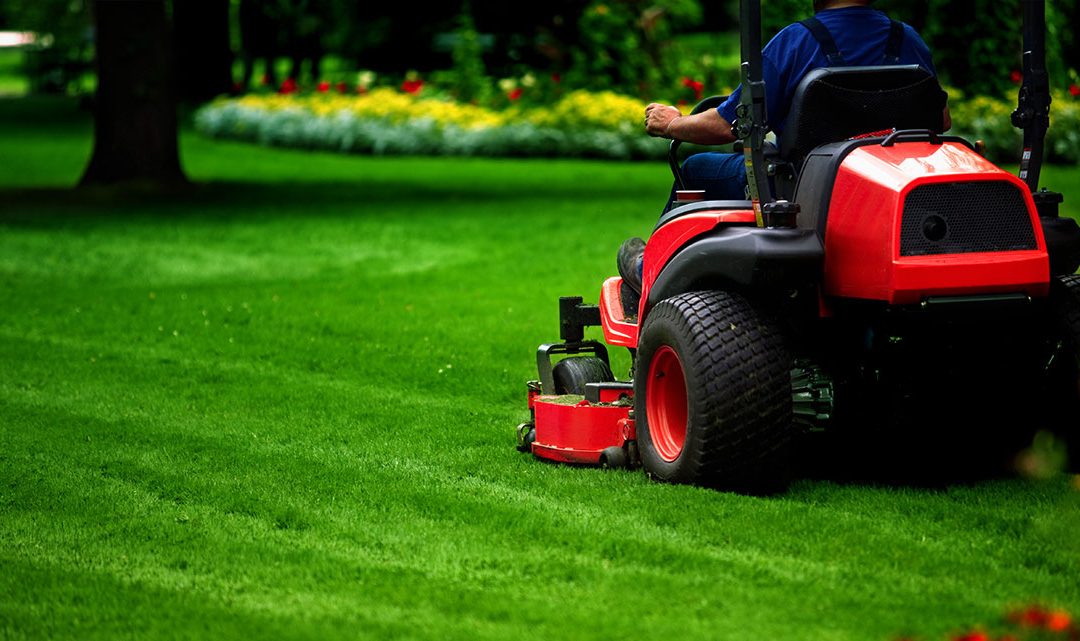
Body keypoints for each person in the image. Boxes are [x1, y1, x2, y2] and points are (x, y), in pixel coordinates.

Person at [618, 0, 950, 314]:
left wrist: (672, 123)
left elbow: (726, 124)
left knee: (695, 168)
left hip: (799, 191)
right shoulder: (907, 39)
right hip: (889, 188)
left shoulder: (795, 42)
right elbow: (942, 120)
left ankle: (648, 271)